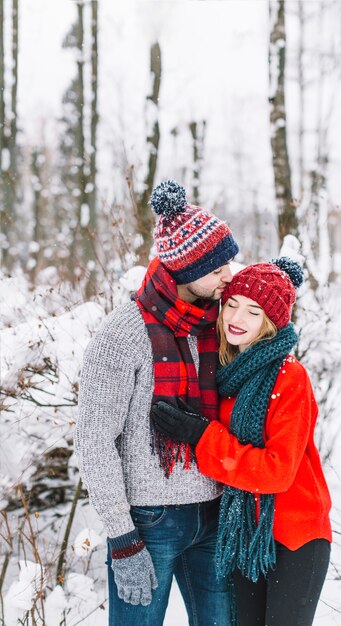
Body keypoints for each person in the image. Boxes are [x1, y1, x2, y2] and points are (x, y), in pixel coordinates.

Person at [74, 179, 239, 626]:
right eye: (218, 265)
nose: (230, 274)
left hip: (215, 510)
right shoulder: (122, 334)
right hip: (150, 523)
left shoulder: (215, 325)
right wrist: (123, 538)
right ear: (185, 268)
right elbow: (94, 441)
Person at [151, 256, 332, 626]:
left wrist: (202, 435)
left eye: (253, 312)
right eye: (231, 304)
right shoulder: (221, 369)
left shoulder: (289, 377)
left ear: (270, 323)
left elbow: (277, 471)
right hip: (241, 531)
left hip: (296, 535)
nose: (236, 318)